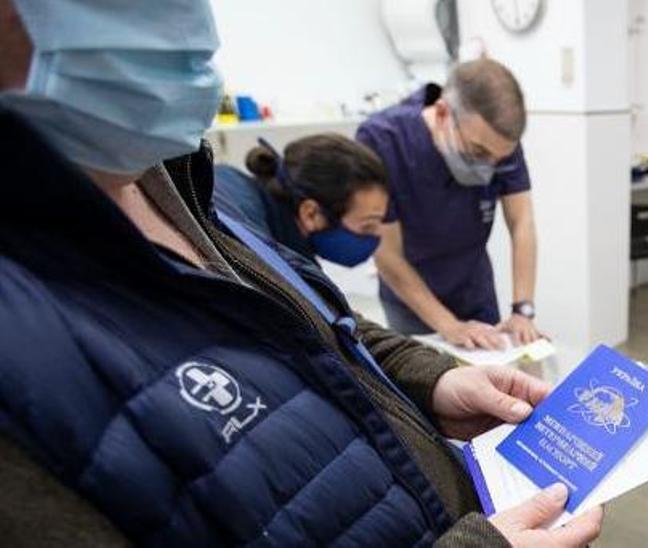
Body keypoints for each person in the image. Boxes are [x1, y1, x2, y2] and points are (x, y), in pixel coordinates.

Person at [0, 0, 602, 546]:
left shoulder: (183, 188)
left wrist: (431, 380)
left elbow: (324, 326)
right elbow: (385, 261)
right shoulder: (28, 360)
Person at [357, 60, 541, 350]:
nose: (489, 166)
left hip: (475, 292)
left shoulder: (499, 143)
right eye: (479, 152)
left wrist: (522, 310)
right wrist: (449, 325)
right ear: (443, 113)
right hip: (411, 299)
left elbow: (522, 223)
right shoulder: (383, 140)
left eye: (500, 159)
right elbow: (386, 254)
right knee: (424, 384)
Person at [213, 135, 389, 267]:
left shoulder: (229, 185)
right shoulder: (256, 251)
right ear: (311, 213)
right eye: (368, 226)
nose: (376, 235)